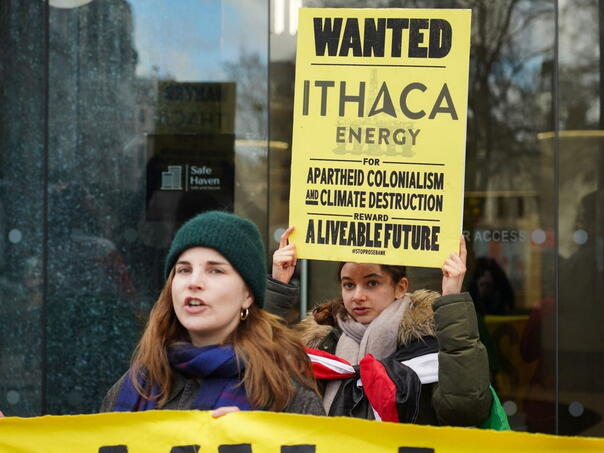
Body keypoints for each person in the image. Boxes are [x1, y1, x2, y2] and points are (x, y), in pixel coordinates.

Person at [266, 227, 496, 427]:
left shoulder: (427, 346)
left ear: (400, 287)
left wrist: (452, 298)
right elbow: (261, 383)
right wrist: (278, 285)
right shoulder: (319, 349)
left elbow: (465, 410)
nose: (358, 296)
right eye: (348, 285)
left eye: (372, 283)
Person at [101, 212, 324, 416]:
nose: (194, 282)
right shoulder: (136, 385)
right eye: (184, 270)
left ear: (248, 295)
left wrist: (252, 439)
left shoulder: (286, 395)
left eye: (215, 270)